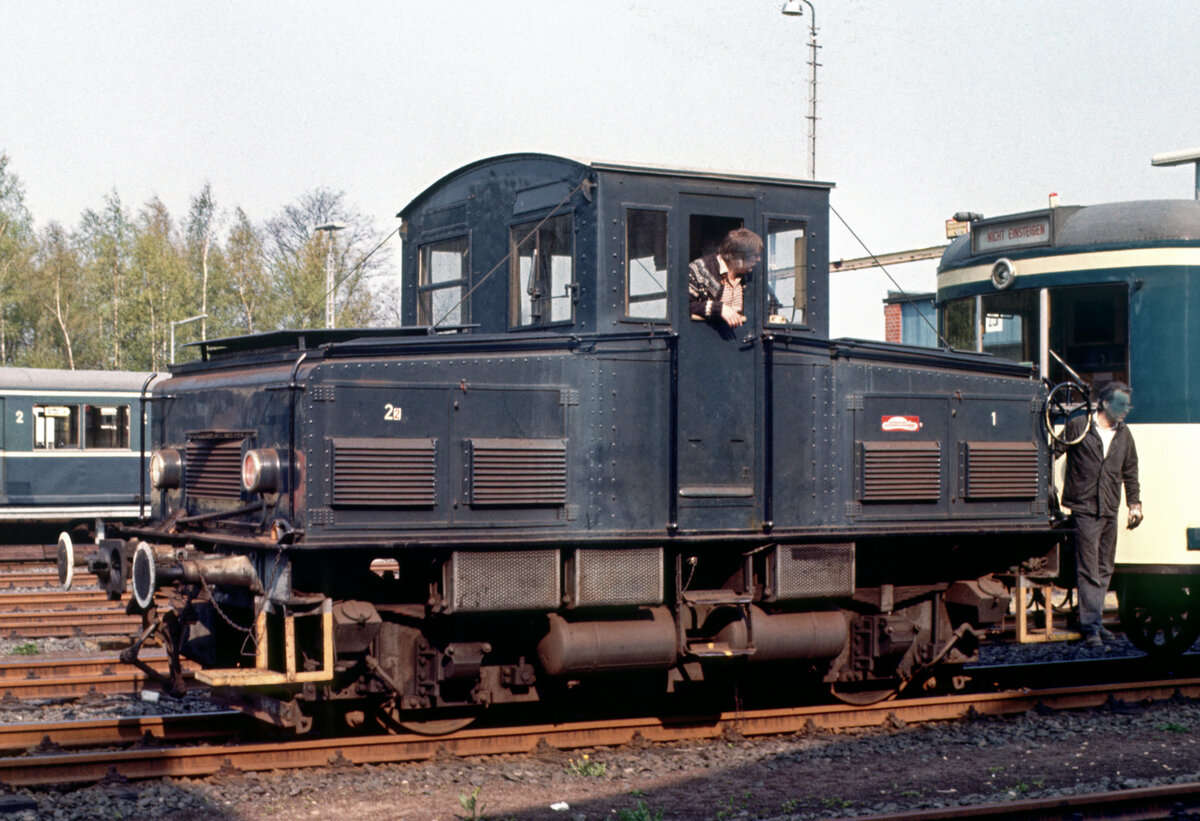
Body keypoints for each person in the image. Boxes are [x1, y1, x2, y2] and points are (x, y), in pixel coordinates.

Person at [1057, 381, 1143, 647]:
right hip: (1083, 507)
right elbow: (1053, 452)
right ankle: (1091, 627)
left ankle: (1094, 623)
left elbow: (1130, 471)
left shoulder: (1124, 435)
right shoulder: (1079, 426)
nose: (1126, 410)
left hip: (1109, 507)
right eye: (1121, 404)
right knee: (1088, 568)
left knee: (1105, 566)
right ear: (1105, 403)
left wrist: (1135, 504)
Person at [688, 228, 763, 329]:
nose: (759, 259)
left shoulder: (751, 277)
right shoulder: (699, 270)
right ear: (738, 256)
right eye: (755, 255)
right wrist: (719, 309)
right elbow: (685, 306)